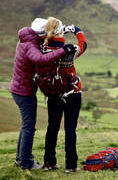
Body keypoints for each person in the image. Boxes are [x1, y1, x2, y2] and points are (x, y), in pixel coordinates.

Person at [9, 17, 76, 170]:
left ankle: (21, 159)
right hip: (23, 92)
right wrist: (63, 50)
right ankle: (26, 163)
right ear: (40, 34)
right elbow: (40, 59)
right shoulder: (30, 45)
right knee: (29, 127)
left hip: (20, 89)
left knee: (26, 126)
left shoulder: (27, 40)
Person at [36, 17, 87, 173]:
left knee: (52, 128)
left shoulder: (42, 50)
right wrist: (77, 30)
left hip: (53, 95)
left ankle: (49, 162)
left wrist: (58, 31)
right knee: (70, 129)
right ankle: (71, 166)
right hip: (72, 93)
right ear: (61, 32)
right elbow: (83, 45)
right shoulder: (69, 50)